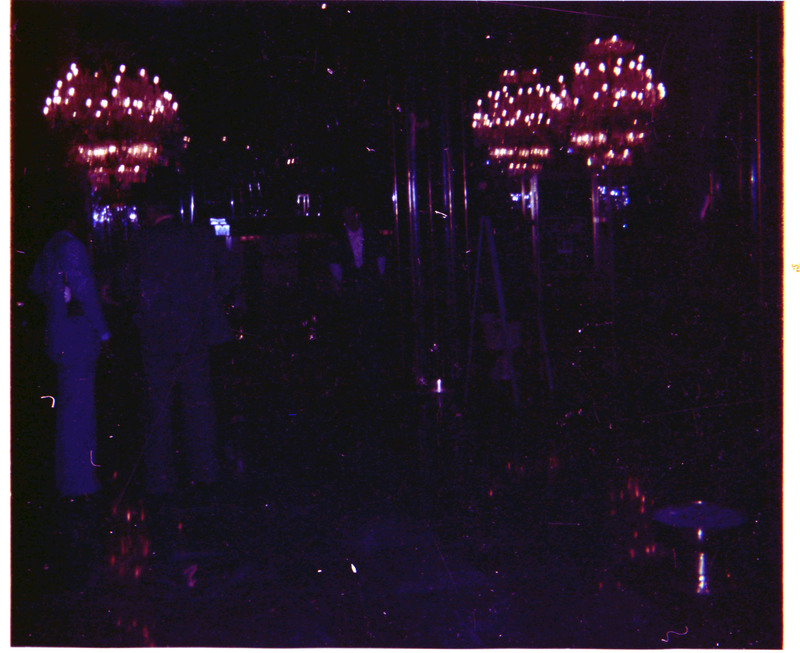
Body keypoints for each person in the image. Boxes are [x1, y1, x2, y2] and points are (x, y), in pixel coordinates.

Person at [123, 171, 233, 516]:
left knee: (159, 410)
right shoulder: (197, 236)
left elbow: (127, 286)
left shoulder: (143, 242)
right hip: (194, 335)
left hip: (157, 338)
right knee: (199, 405)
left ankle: (160, 481)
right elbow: (228, 271)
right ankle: (206, 474)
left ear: (152, 210)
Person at [28, 181, 111, 581]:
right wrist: (104, 329)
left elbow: (34, 284)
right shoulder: (71, 246)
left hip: (58, 337)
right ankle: (81, 480)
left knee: (69, 411)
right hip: (77, 338)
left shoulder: (48, 246)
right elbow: (83, 289)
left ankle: (71, 478)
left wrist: (55, 299)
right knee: (79, 411)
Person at [327, 204, 390, 400]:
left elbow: (380, 259)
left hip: (369, 284)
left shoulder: (371, 233)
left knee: (372, 325)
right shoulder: (337, 238)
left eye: (351, 215)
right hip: (351, 286)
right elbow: (335, 263)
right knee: (353, 327)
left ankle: (373, 367)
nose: (348, 219)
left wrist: (374, 282)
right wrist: (343, 283)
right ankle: (356, 368)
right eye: (345, 215)